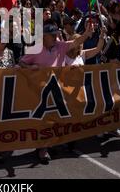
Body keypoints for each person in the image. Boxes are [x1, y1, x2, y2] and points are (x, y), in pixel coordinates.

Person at [19, 21, 95, 163]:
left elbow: (76, 42)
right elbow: (21, 62)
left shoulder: (60, 46)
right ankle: (42, 149)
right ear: (44, 36)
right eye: (52, 35)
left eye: (56, 34)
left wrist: (86, 34)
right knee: (43, 121)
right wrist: (30, 68)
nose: (56, 37)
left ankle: (48, 145)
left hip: (57, 89)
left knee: (55, 119)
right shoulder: (35, 48)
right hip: (40, 92)